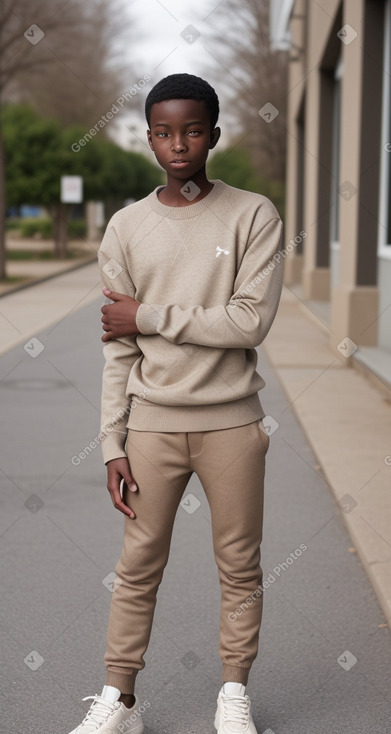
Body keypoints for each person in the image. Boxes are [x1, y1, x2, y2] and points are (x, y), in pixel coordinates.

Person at [68, 72, 284, 734]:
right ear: (149, 137)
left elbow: (248, 323)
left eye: (192, 130)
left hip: (231, 424)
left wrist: (149, 315)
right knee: (135, 566)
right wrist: (111, 443)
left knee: (239, 566)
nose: (178, 144)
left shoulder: (253, 215)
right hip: (150, 430)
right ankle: (119, 701)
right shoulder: (127, 228)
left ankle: (231, 693)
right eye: (163, 132)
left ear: (212, 134)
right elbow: (118, 348)